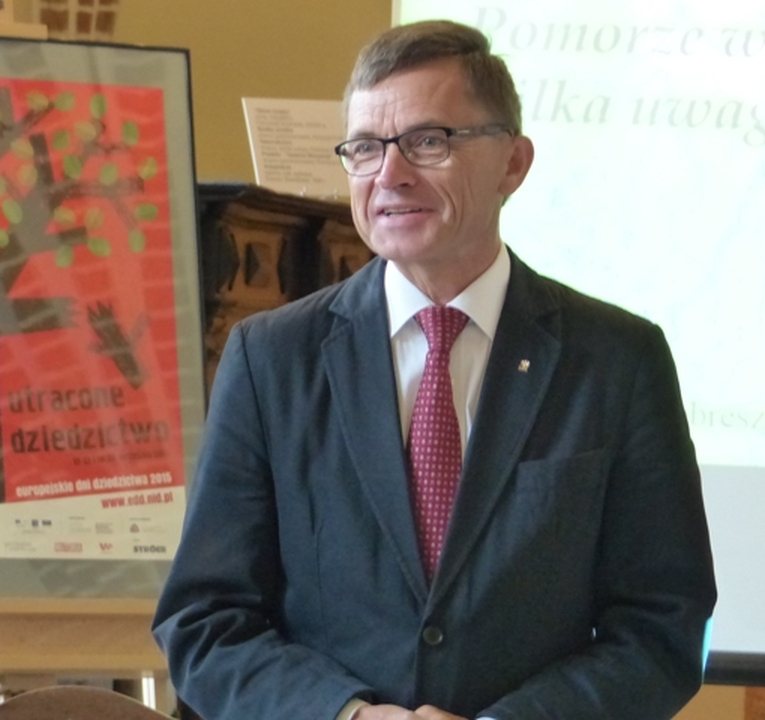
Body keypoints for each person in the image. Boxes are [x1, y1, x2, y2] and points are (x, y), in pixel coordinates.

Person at [153, 19, 716, 720]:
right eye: (365, 147)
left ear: (513, 163)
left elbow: (661, 627)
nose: (389, 175)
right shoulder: (270, 359)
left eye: (428, 141)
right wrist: (347, 716)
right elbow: (205, 621)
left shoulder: (617, 360)